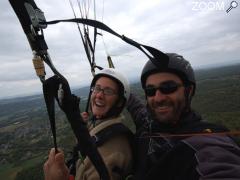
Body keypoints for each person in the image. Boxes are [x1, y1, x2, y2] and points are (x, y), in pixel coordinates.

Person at [127, 53, 240, 180]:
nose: (158, 98)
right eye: (150, 91)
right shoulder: (148, 124)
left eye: (168, 87)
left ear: (189, 90)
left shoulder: (207, 144)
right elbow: (135, 105)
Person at [44, 68, 133, 180]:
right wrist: (84, 131)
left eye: (108, 91)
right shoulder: (101, 127)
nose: (99, 95)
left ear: (119, 102)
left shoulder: (112, 150)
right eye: (97, 88)